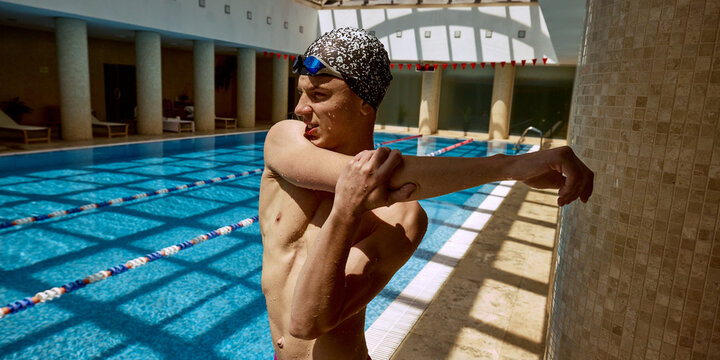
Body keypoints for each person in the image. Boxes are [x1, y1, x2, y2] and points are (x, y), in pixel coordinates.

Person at [259, 27, 593, 360]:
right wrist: (508, 167)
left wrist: (345, 214)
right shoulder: (284, 140)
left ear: (364, 102)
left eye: (318, 96)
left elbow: (307, 322)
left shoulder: (402, 218)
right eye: (301, 93)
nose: (301, 108)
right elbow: (367, 177)